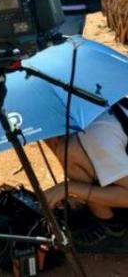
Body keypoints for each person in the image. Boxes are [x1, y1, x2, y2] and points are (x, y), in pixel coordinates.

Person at [43, 102, 128, 252]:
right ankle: (100, 208)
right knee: (69, 149)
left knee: (69, 151)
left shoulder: (96, 135)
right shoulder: (96, 105)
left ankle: (111, 229)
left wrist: (68, 188)